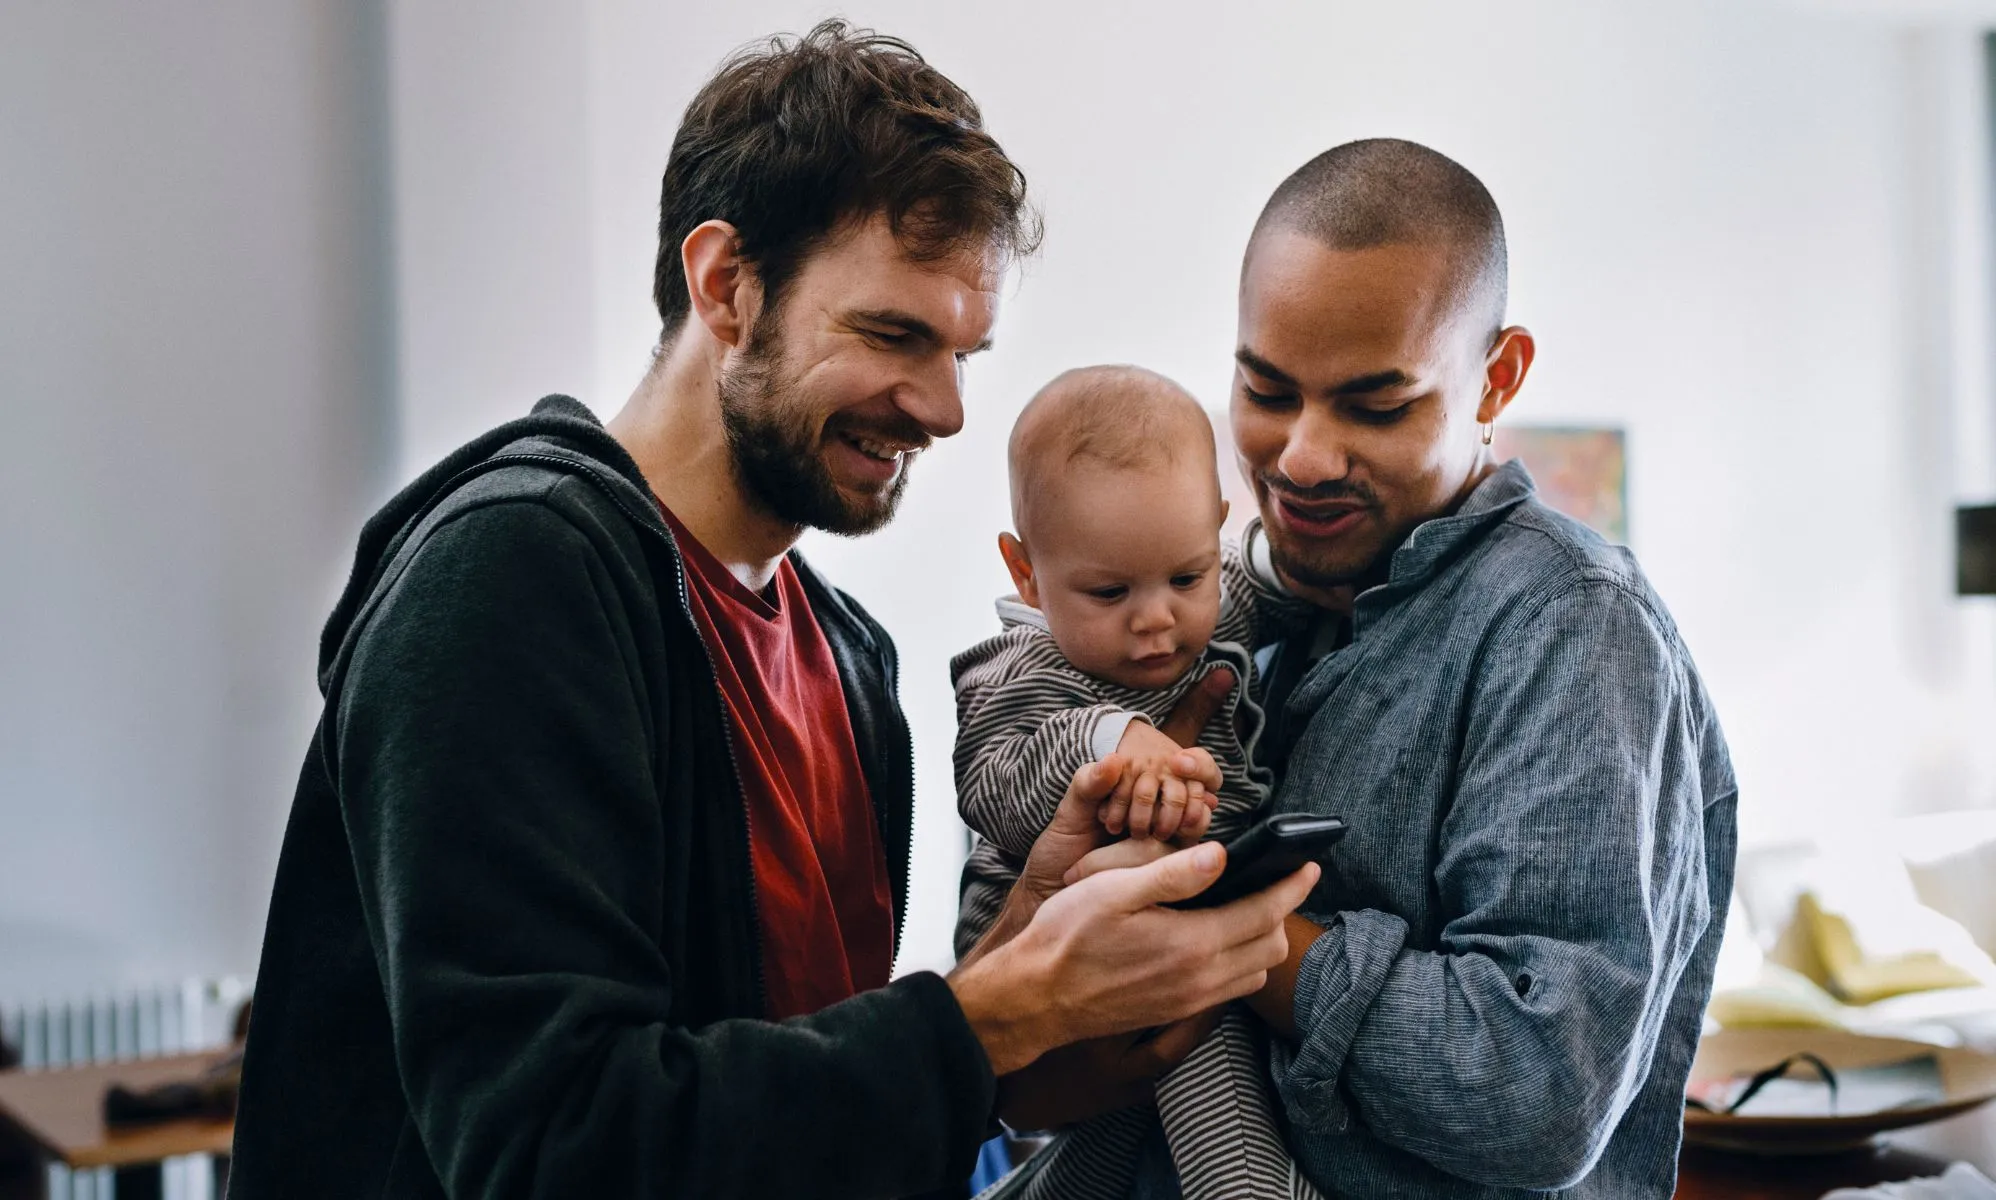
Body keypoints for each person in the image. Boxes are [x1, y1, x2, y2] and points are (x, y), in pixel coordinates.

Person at [227, 23, 1315, 1199]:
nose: (945, 410)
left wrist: (1026, 961)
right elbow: (554, 1150)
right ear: (724, 286)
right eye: (893, 334)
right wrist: (996, 1015)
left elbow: (800, 1109)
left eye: (962, 352)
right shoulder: (513, 577)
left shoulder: (849, 661)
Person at [1225, 139, 1739, 1197]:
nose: (1303, 458)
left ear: (1496, 378)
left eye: (1375, 406)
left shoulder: (1575, 628)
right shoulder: (1241, 605)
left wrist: (1217, 936)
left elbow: (1538, 1093)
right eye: (1267, 391)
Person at [951, 366, 1317, 1200]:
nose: (1157, 619)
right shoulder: (1021, 669)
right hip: (1046, 948)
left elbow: (1281, 579)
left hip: (1178, 913)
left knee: (1114, 1143)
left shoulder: (1208, 607)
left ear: (1213, 532)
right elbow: (992, 781)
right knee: (1204, 1061)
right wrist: (1111, 739)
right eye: (1109, 592)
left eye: (1186, 578)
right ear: (1027, 573)